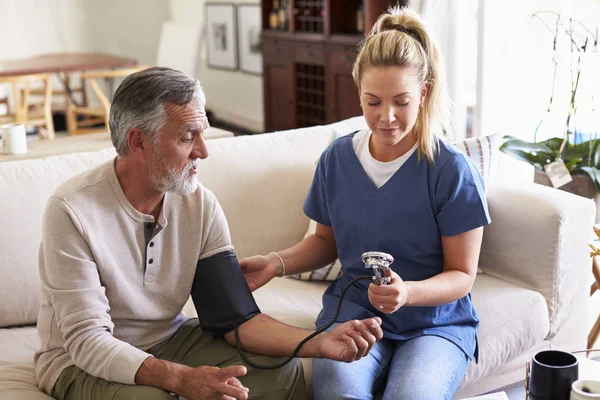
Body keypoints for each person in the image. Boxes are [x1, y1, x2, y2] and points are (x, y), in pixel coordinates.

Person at [34, 66, 384, 400]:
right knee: (149, 397)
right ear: (139, 141)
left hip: (170, 339)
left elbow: (235, 320)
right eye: (188, 137)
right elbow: (86, 340)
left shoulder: (199, 204)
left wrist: (319, 341)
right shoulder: (71, 210)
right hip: (78, 361)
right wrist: (178, 377)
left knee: (280, 374)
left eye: (203, 133)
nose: (203, 150)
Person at [240, 6, 490, 400]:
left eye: (401, 102)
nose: (386, 117)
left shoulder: (450, 170)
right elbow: (325, 243)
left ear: (423, 93)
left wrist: (406, 293)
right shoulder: (337, 160)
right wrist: (275, 263)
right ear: (358, 91)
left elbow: (462, 274)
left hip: (434, 323)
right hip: (353, 313)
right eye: (373, 102)